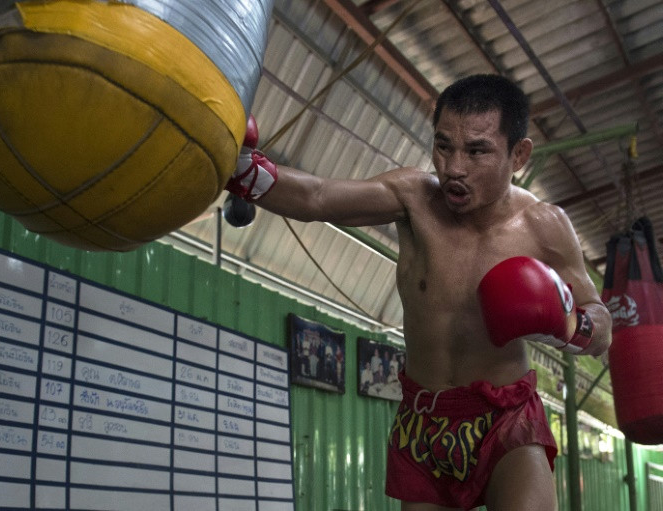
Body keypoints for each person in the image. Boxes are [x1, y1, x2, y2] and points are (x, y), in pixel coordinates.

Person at [226, 74, 611, 511]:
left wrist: (569, 325)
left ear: (518, 154)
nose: (454, 167)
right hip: (423, 422)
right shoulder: (414, 198)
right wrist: (244, 173)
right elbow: (319, 198)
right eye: (443, 146)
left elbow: (602, 327)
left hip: (507, 420)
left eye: (477, 150)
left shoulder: (545, 226)